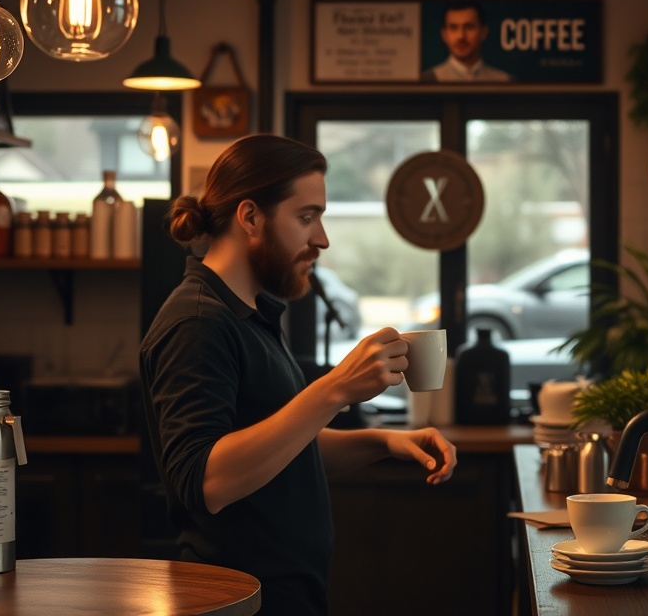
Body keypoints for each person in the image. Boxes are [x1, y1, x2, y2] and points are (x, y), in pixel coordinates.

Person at [139, 134, 457, 615]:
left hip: (285, 595)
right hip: (239, 600)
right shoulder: (199, 322)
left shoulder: (252, 314)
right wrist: (335, 389)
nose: (322, 238)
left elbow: (281, 447)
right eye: (307, 217)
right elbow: (208, 482)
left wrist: (386, 444)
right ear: (250, 217)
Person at [420, 0, 514, 82]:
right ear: (444, 35)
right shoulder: (427, 80)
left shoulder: (504, 80)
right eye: (453, 28)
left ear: (483, 32)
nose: (461, 36)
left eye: (469, 27)